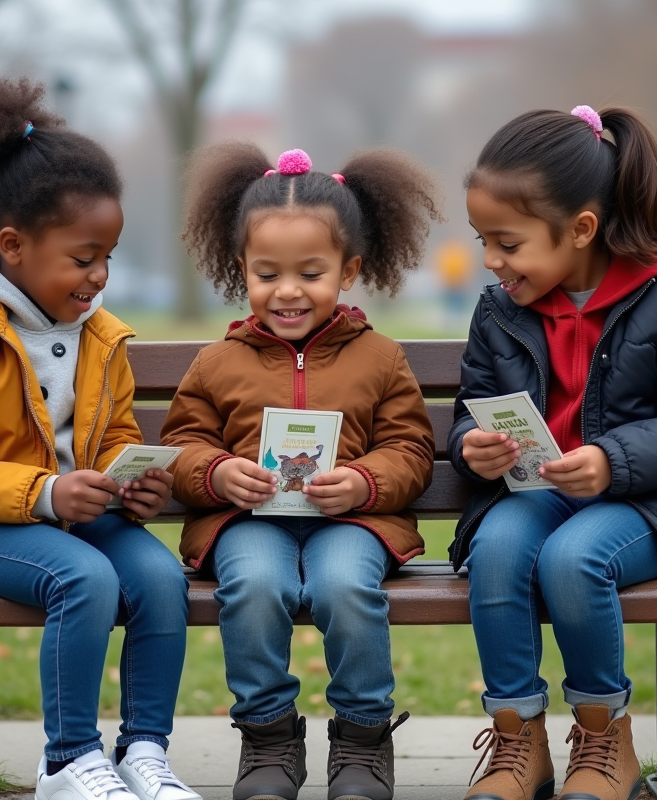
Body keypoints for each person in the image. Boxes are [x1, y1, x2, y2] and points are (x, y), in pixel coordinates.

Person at [0, 77, 199, 800]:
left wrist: (135, 482)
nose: (99, 278)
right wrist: (44, 492)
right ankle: (67, 759)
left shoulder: (99, 335)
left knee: (159, 580)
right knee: (83, 578)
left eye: (109, 257)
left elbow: (116, 432)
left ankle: (143, 754)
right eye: (83, 257)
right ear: (13, 246)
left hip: (79, 516)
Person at [448, 106, 657, 800]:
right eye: (482, 240)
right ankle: (519, 742)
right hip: (540, 492)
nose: (491, 260)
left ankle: (605, 737)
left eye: (508, 243)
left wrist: (612, 459)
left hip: (653, 502)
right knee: (495, 550)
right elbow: (469, 410)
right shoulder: (498, 312)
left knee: (573, 560)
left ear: (580, 229)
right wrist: (472, 447)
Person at [161, 145, 441, 800]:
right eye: (267, 273)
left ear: (349, 271)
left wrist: (364, 481)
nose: (287, 291)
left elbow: (409, 448)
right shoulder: (216, 362)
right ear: (242, 271)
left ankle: (363, 738)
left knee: (346, 587)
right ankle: (267, 737)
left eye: (310, 273)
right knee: (255, 585)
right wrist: (220, 474)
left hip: (354, 523)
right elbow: (185, 443)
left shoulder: (380, 357)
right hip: (248, 521)